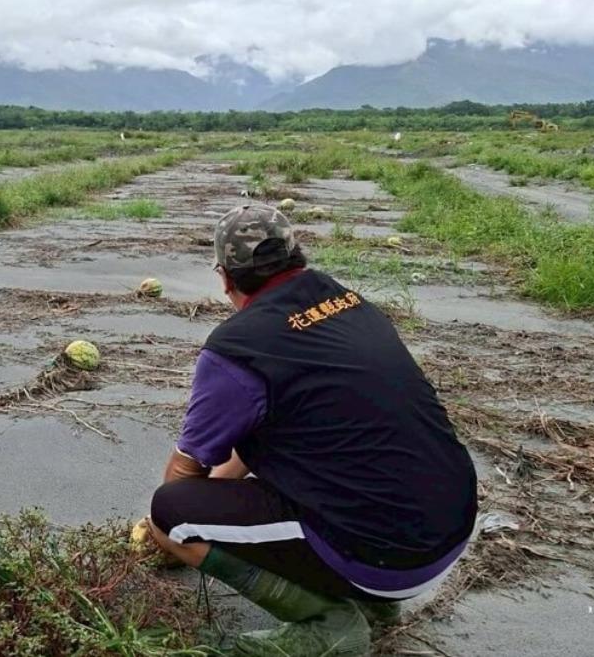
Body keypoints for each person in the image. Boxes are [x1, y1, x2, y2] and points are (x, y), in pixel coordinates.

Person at [146, 205, 478, 656]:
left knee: (171, 512)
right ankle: (376, 604)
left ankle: (327, 622)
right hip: (450, 528)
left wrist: (169, 532)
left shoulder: (238, 348)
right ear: (296, 257)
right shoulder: (347, 301)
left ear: (225, 278)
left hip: (389, 560)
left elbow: (184, 475)